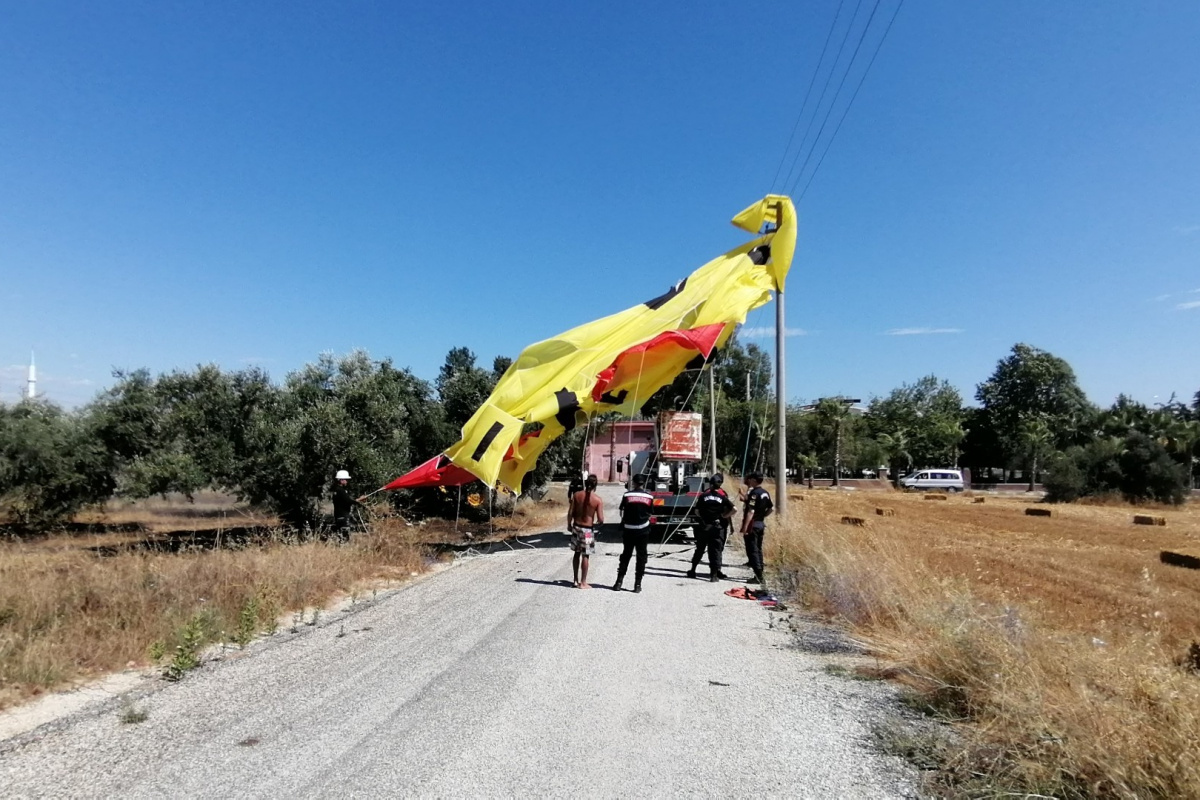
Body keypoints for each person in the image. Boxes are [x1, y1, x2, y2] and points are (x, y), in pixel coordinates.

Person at [688, 473, 735, 581]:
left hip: (705, 526)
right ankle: (714, 574)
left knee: (699, 549)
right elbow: (731, 510)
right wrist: (727, 521)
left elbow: (697, 511)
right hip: (719, 526)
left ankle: (693, 570)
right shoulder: (723, 495)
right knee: (716, 550)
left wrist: (703, 518)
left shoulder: (704, 494)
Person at [613, 473, 654, 593]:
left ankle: (618, 582)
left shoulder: (627, 495)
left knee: (626, 555)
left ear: (634, 483)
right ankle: (637, 585)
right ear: (644, 483)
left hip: (629, 529)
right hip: (643, 530)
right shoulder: (649, 497)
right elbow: (650, 513)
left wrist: (625, 521)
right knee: (641, 558)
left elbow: (621, 511)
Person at [568, 474, 604, 588]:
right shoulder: (597, 500)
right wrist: (599, 522)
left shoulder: (577, 495)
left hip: (577, 527)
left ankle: (575, 579)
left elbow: (570, 512)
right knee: (586, 555)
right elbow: (601, 519)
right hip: (588, 530)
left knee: (576, 553)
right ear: (595, 485)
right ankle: (583, 582)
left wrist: (569, 524)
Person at [740, 472, 773, 584]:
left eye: (750, 479)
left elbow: (751, 511)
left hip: (752, 525)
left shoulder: (754, 494)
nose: (749, 481)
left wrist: (745, 527)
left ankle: (758, 576)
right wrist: (762, 516)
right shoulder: (765, 493)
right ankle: (760, 572)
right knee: (758, 549)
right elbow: (771, 509)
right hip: (760, 524)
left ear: (754, 480)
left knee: (752, 551)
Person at [332, 469, 362, 540]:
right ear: (341, 480)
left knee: (341, 535)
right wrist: (359, 500)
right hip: (343, 516)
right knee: (345, 536)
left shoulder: (336, 490)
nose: (347, 481)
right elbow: (348, 501)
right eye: (346, 479)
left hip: (338, 515)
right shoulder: (341, 491)